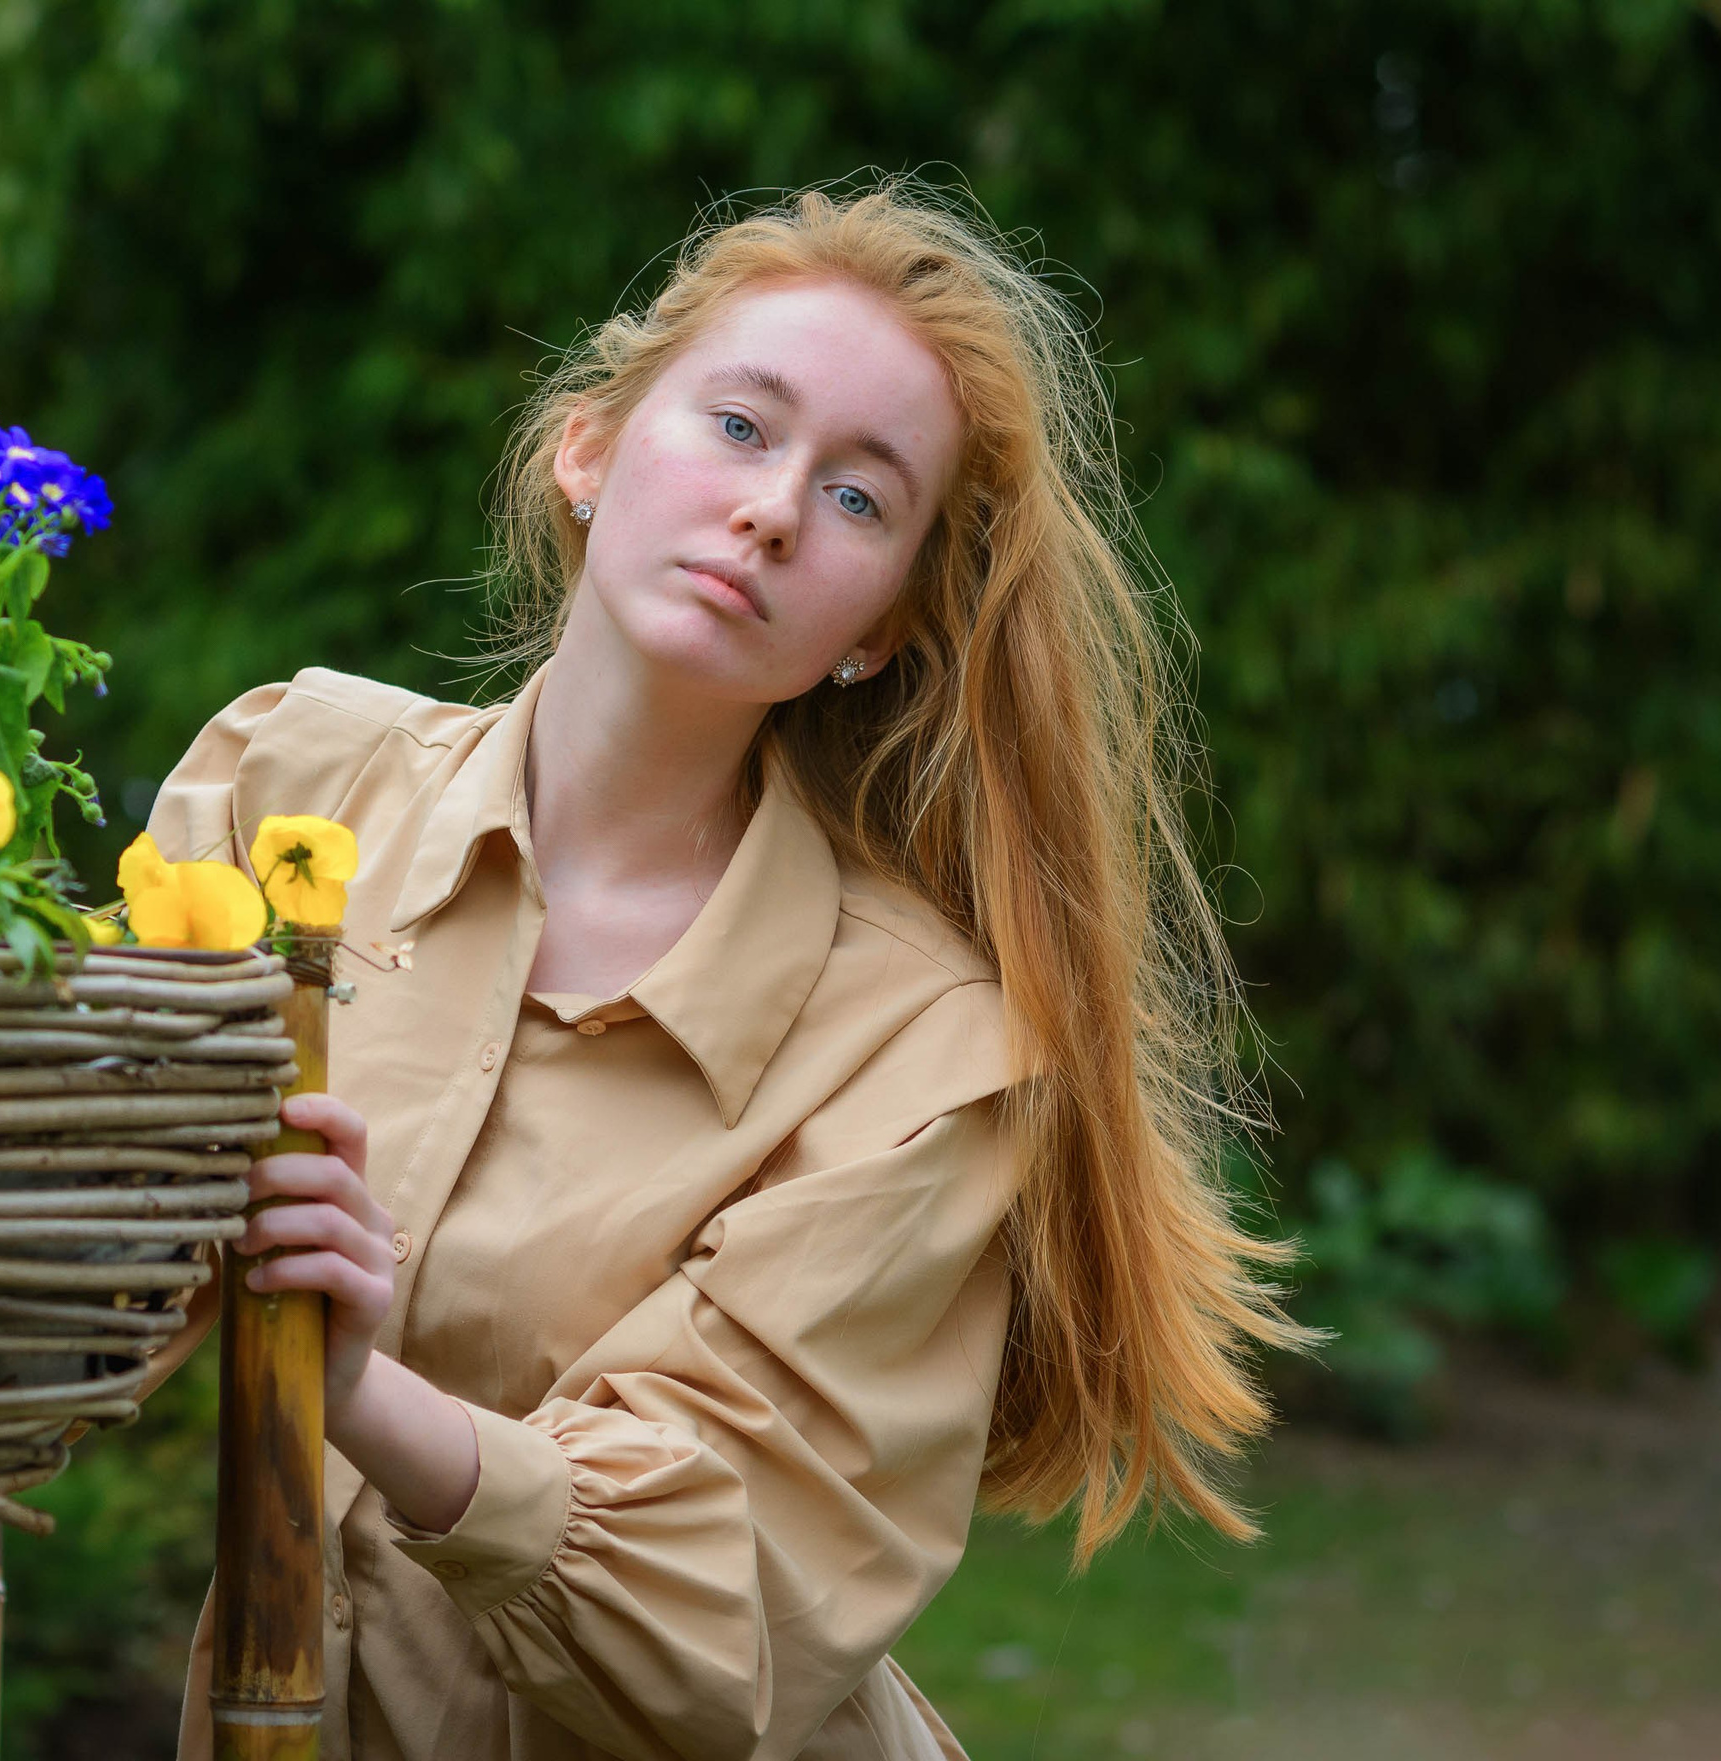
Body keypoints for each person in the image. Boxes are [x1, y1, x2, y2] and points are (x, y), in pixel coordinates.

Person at [139, 180, 1311, 1760]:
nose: (772, 507)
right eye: (744, 428)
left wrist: (357, 1388)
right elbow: (70, 1254)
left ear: (876, 631)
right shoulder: (290, 785)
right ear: (591, 447)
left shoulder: (923, 1050)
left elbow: (722, 1617)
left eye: (858, 500)